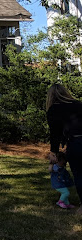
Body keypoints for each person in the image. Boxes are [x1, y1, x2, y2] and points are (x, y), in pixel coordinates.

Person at [47, 83, 82, 214]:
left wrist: (54, 151)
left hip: (75, 142)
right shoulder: (78, 104)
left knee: (79, 174)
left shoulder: (54, 110)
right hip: (75, 140)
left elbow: (54, 133)